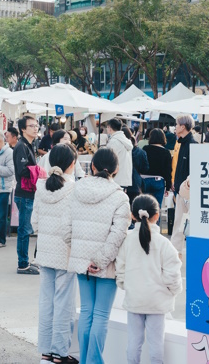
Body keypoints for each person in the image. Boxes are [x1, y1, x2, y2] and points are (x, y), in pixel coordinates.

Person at [69, 147, 130, 364]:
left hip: (82, 262)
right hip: (106, 264)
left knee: (87, 312)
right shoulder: (120, 197)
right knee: (101, 315)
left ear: (92, 166)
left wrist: (80, 253)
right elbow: (118, 234)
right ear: (116, 169)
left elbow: (67, 227)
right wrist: (101, 260)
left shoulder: (76, 190)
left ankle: (86, 360)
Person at [115, 195, 183, 364]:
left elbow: (120, 270)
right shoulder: (164, 244)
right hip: (157, 303)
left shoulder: (127, 241)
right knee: (156, 344)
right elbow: (173, 276)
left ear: (133, 216)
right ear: (157, 216)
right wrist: (172, 292)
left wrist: (127, 286)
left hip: (134, 300)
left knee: (133, 342)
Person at [32, 144, 77, 364]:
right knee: (63, 304)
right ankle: (60, 353)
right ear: (71, 164)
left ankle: (46, 352)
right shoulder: (74, 189)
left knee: (46, 302)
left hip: (45, 252)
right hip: (65, 254)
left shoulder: (41, 186)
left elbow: (34, 222)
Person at [13, 116, 40, 274]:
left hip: (28, 192)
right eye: (32, 126)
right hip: (24, 193)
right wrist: (38, 171)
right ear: (23, 129)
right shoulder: (21, 146)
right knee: (24, 230)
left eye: (36, 126)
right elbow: (22, 170)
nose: (35, 128)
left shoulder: (29, 145)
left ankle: (25, 261)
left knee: (26, 229)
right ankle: (22, 264)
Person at [170, 114, 197, 253]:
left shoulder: (192, 145)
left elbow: (194, 170)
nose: (175, 127)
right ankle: (175, 253)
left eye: (176, 124)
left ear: (182, 126)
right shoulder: (182, 143)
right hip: (181, 191)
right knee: (179, 224)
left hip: (188, 192)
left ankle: (177, 253)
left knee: (185, 225)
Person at [143, 129, 172, 215]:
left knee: (144, 207)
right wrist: (168, 187)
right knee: (156, 208)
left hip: (145, 180)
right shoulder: (166, 152)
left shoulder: (145, 149)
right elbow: (168, 171)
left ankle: (144, 223)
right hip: (158, 181)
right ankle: (155, 223)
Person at [104, 119, 133, 193]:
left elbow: (108, 159)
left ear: (109, 128)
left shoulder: (114, 141)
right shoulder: (125, 140)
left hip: (116, 178)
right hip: (124, 178)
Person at [123, 127, 148, 207]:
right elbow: (145, 169)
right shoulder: (141, 152)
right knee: (134, 207)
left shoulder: (121, 151)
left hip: (121, 183)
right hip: (136, 183)